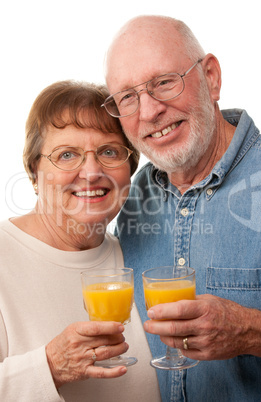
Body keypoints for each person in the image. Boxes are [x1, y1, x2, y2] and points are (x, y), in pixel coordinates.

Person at [103, 15, 261, 402]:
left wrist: (253, 331)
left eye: (163, 82)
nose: (149, 112)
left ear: (211, 77)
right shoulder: (128, 196)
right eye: (128, 96)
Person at [0, 80, 161, 402]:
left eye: (109, 152)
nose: (90, 171)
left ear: (129, 170)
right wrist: (49, 366)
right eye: (67, 154)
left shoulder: (139, 256)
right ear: (34, 172)